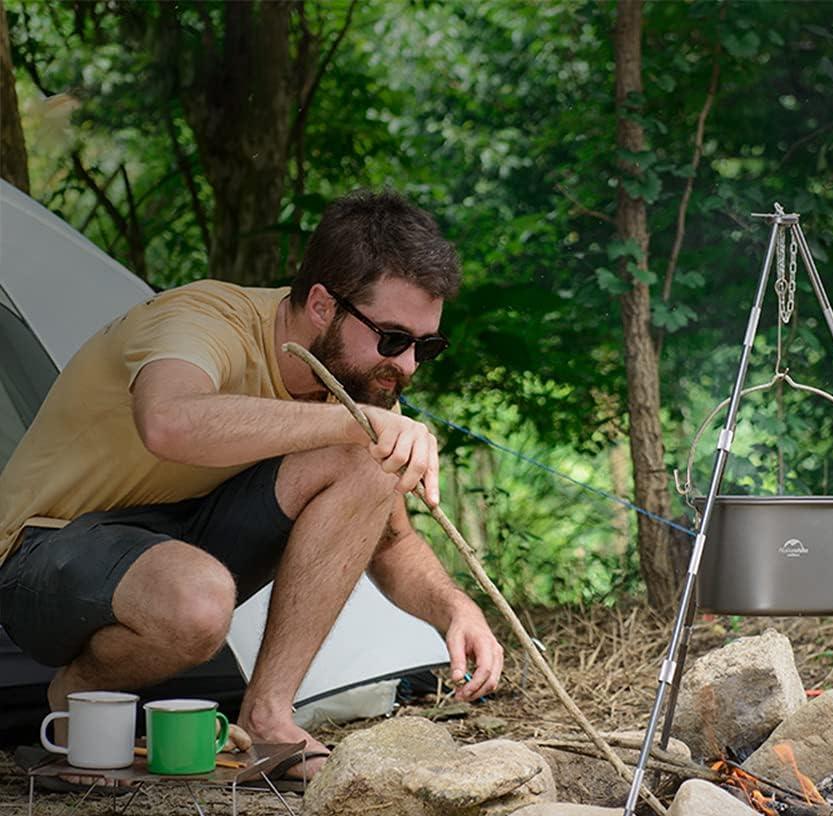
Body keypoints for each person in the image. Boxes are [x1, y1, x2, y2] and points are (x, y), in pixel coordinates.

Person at [0, 189, 504, 780]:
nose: (409, 365)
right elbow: (168, 421)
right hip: (42, 550)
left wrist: (453, 610)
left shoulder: (345, 383)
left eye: (428, 346)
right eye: (393, 340)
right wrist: (354, 421)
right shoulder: (200, 318)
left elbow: (387, 540)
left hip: (179, 544)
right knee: (198, 600)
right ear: (321, 305)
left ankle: (267, 718)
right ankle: (78, 692)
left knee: (363, 464)